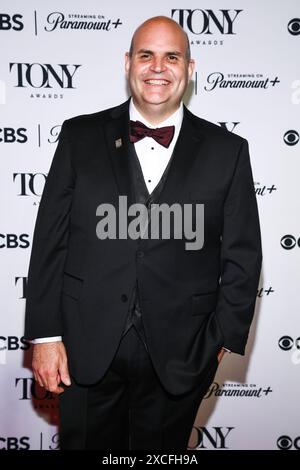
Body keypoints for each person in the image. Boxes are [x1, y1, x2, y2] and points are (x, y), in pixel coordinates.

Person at [24, 16, 262, 450]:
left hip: (182, 350)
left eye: (171, 57)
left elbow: (243, 255)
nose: (158, 67)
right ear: (127, 63)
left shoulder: (227, 150)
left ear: (189, 68)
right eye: (146, 55)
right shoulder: (80, 136)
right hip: (84, 345)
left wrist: (223, 335)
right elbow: (49, 242)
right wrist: (45, 336)